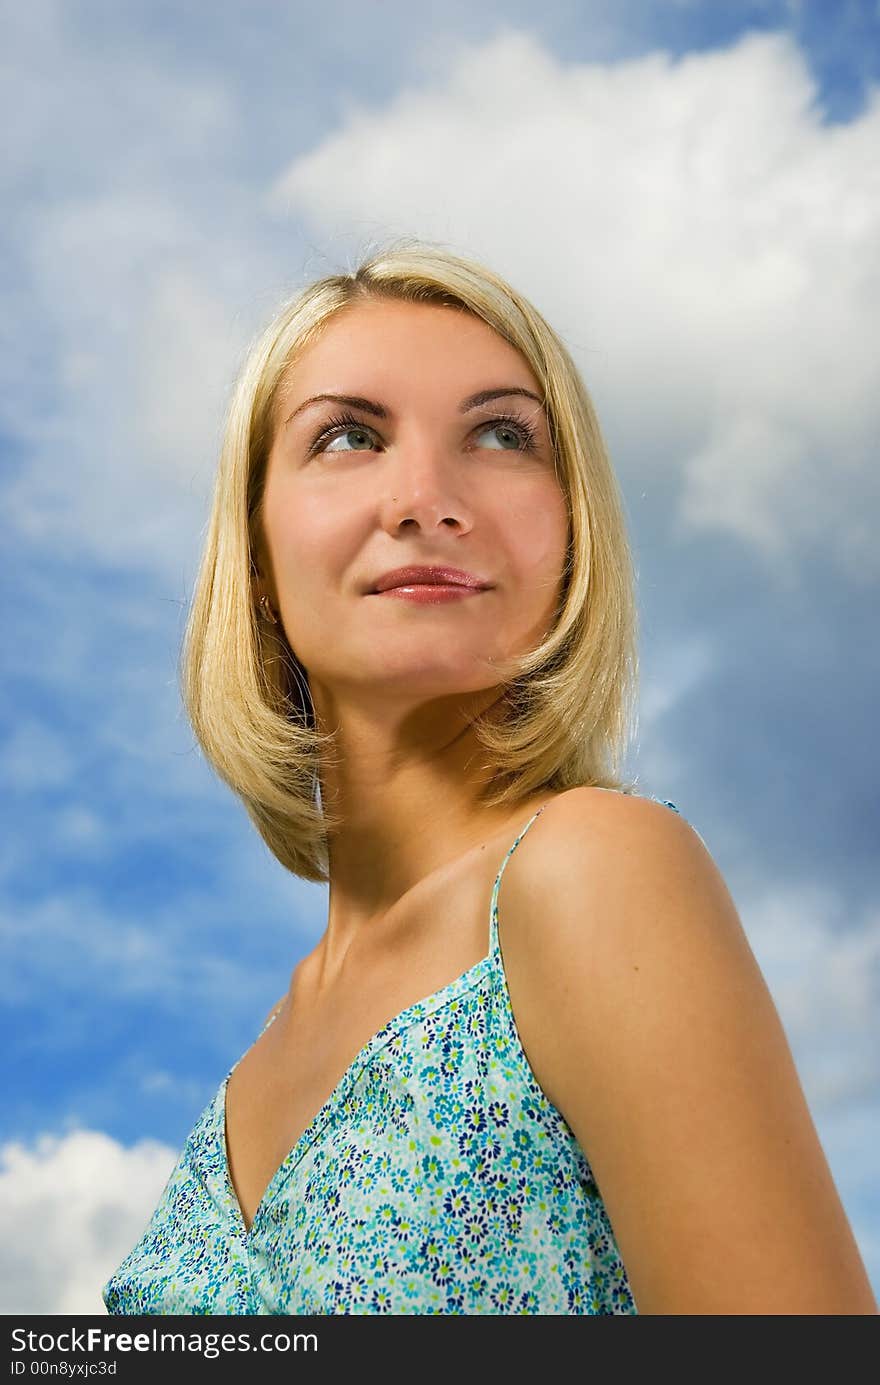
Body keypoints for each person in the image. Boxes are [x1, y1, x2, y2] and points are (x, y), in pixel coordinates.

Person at [101, 238, 877, 1316]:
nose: (425, 497)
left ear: (570, 535)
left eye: (502, 434)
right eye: (348, 436)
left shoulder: (594, 870)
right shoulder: (250, 1063)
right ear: (258, 554)